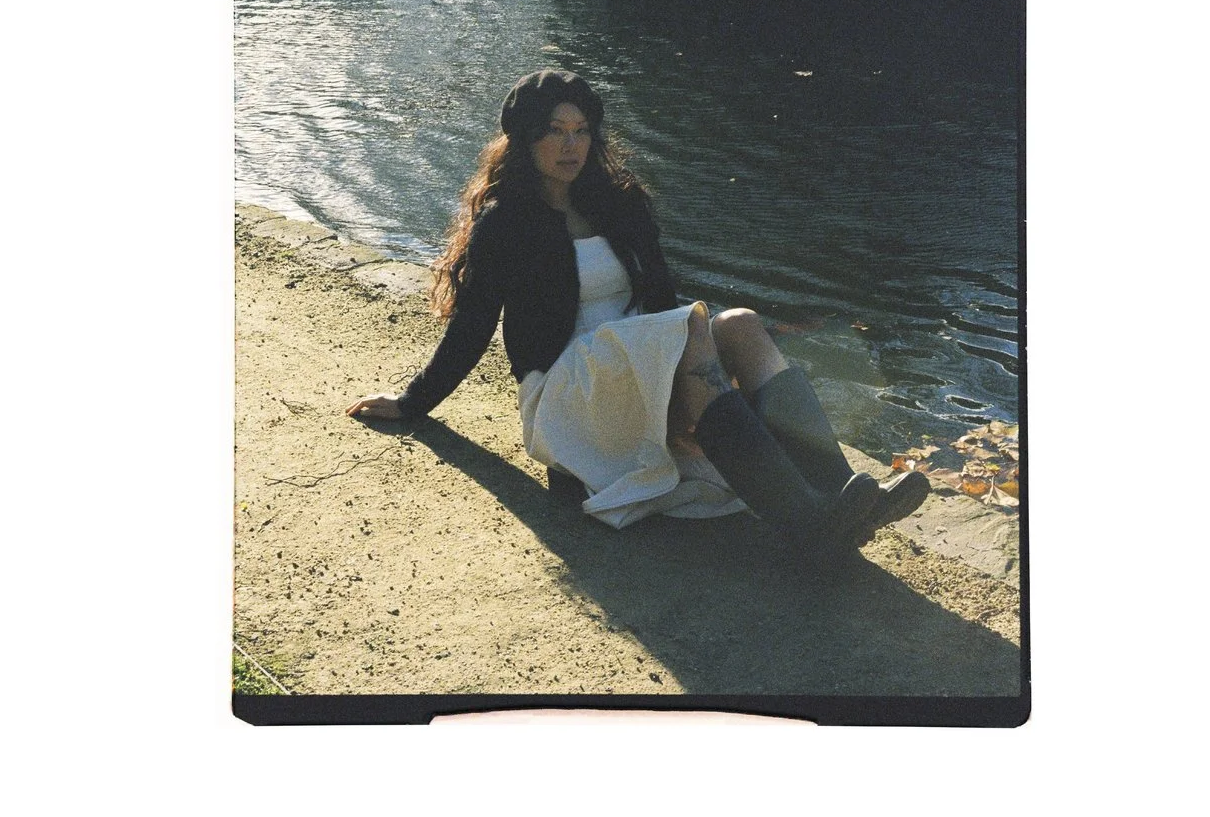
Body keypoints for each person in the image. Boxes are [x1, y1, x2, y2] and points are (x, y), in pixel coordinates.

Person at [347, 68, 931, 557]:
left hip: (638, 368)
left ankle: (846, 495)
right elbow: (473, 328)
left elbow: (659, 299)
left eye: (581, 131)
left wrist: (685, 393)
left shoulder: (620, 202)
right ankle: (808, 525)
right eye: (555, 131)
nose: (572, 146)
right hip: (566, 389)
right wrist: (413, 402)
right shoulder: (506, 222)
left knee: (741, 324)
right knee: (696, 321)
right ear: (525, 140)